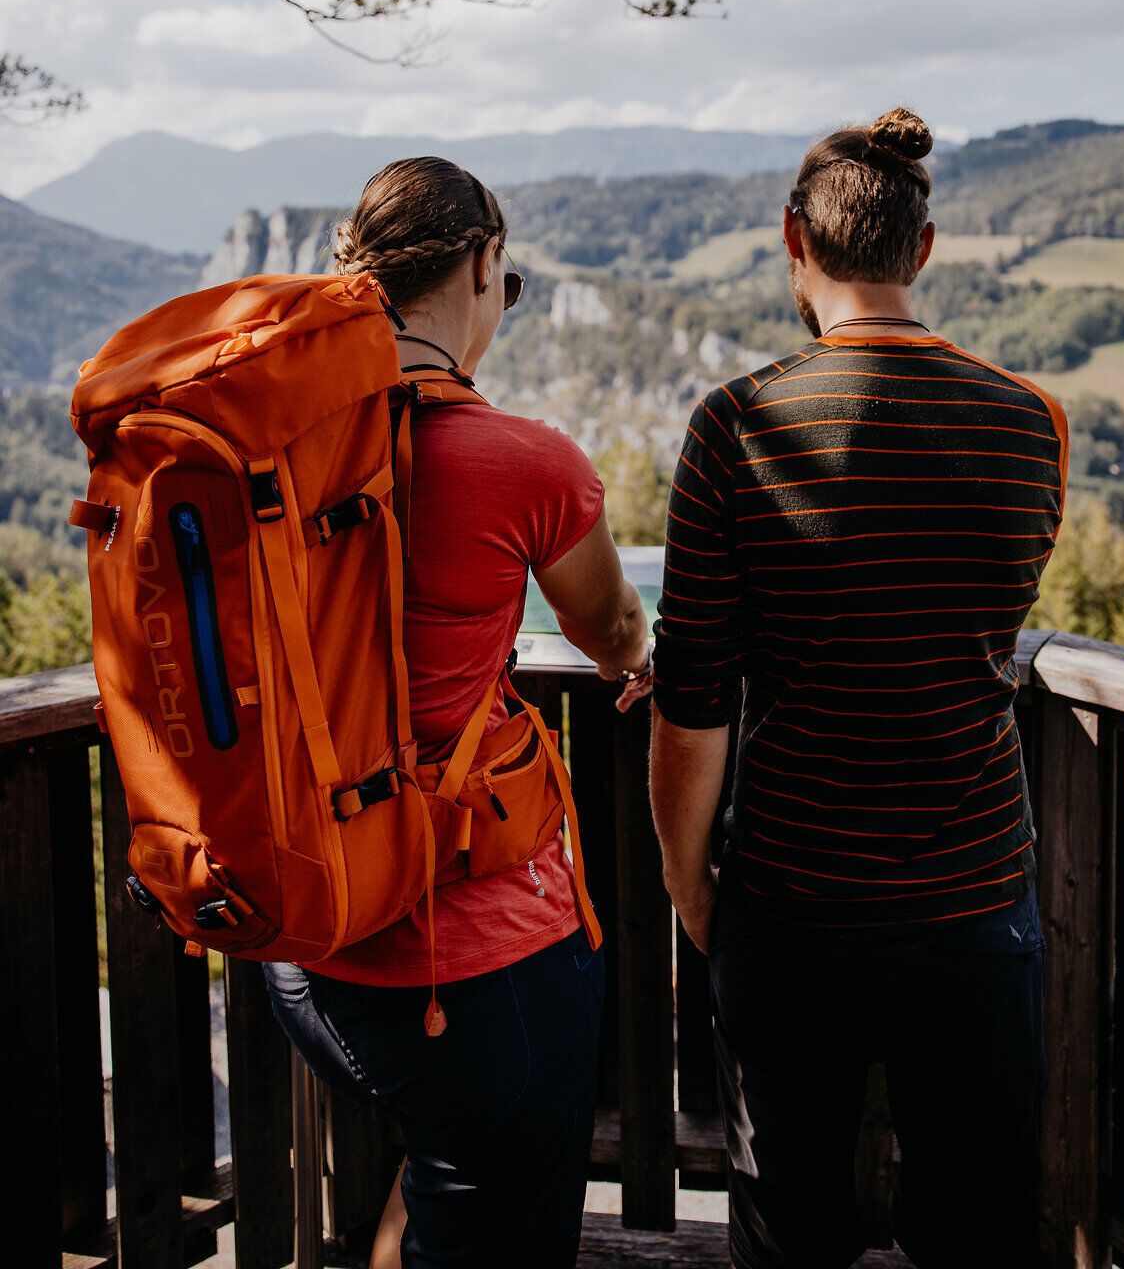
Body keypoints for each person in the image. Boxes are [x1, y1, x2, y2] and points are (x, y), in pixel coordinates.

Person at [649, 107, 1068, 1269]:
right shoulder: (1031, 422)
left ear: (794, 239)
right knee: (978, 1223)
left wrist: (694, 892)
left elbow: (693, 701)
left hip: (788, 898)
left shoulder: (731, 427)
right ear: (921, 249)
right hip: (976, 897)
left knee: (790, 1222)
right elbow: (983, 624)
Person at [264, 156, 652, 1269]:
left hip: (301, 934)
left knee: (445, 1172)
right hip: (465, 955)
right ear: (484, 265)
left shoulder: (272, 452)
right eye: (507, 279)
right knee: (498, 1214)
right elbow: (616, 634)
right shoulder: (522, 462)